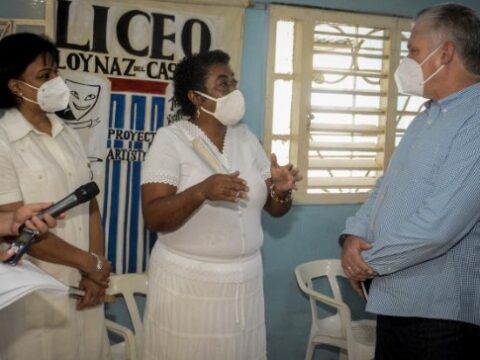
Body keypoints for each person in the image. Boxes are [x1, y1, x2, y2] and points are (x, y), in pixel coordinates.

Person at [339, 4, 480, 359]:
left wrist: (367, 263)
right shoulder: (427, 116)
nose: (407, 61)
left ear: (444, 53)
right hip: (396, 296)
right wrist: (354, 237)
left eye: (413, 51)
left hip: (439, 313)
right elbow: (386, 187)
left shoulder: (475, 119)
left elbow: (440, 226)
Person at [141, 49, 302, 360]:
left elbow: (275, 209)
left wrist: (282, 190)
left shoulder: (246, 138)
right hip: (188, 285)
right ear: (197, 98)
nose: (233, 91)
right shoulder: (170, 140)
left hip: (244, 282)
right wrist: (201, 191)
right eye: (223, 84)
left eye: (233, 83)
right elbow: (154, 216)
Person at [0, 33, 111, 360]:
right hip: (35, 294)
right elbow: (18, 225)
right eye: (44, 76)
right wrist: (90, 264)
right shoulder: (3, 141)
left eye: (57, 72)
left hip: (85, 289)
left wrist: (95, 271)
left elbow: (89, 204)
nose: (57, 82)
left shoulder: (70, 135)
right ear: (15, 87)